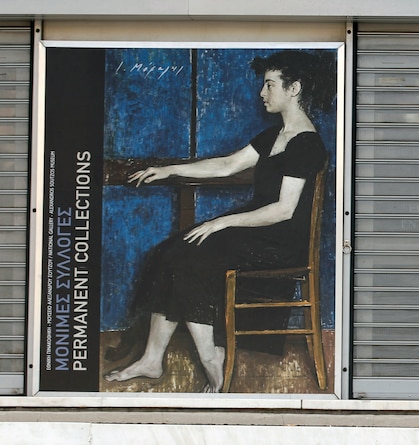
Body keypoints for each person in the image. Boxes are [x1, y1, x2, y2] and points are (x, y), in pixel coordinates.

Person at [104, 50, 335, 392]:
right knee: (173, 250)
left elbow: (284, 210)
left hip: (280, 241)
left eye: (269, 84)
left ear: (294, 88)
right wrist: (169, 170)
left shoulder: (307, 144)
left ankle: (211, 356)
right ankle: (152, 360)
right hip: (256, 230)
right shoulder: (274, 137)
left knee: (192, 259)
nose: (262, 92)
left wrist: (222, 223)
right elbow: (227, 165)